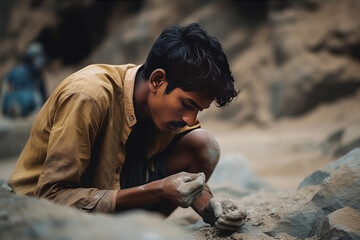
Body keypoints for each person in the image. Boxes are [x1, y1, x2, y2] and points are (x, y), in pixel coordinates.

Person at [9, 23, 247, 232]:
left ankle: (140, 230)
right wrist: (156, 190)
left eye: (198, 110)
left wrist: (210, 208)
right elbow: (51, 198)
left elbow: (190, 175)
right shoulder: (88, 95)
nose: (189, 118)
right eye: (187, 104)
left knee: (203, 145)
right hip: (40, 214)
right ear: (157, 80)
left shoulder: (166, 110)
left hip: (112, 200)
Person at [1, 42, 47, 117]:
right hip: (27, 100)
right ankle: (19, 108)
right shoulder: (36, 74)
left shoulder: (14, 70)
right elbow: (40, 94)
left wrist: (3, 104)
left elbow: (5, 88)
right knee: (31, 98)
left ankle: (13, 107)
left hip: (9, 100)